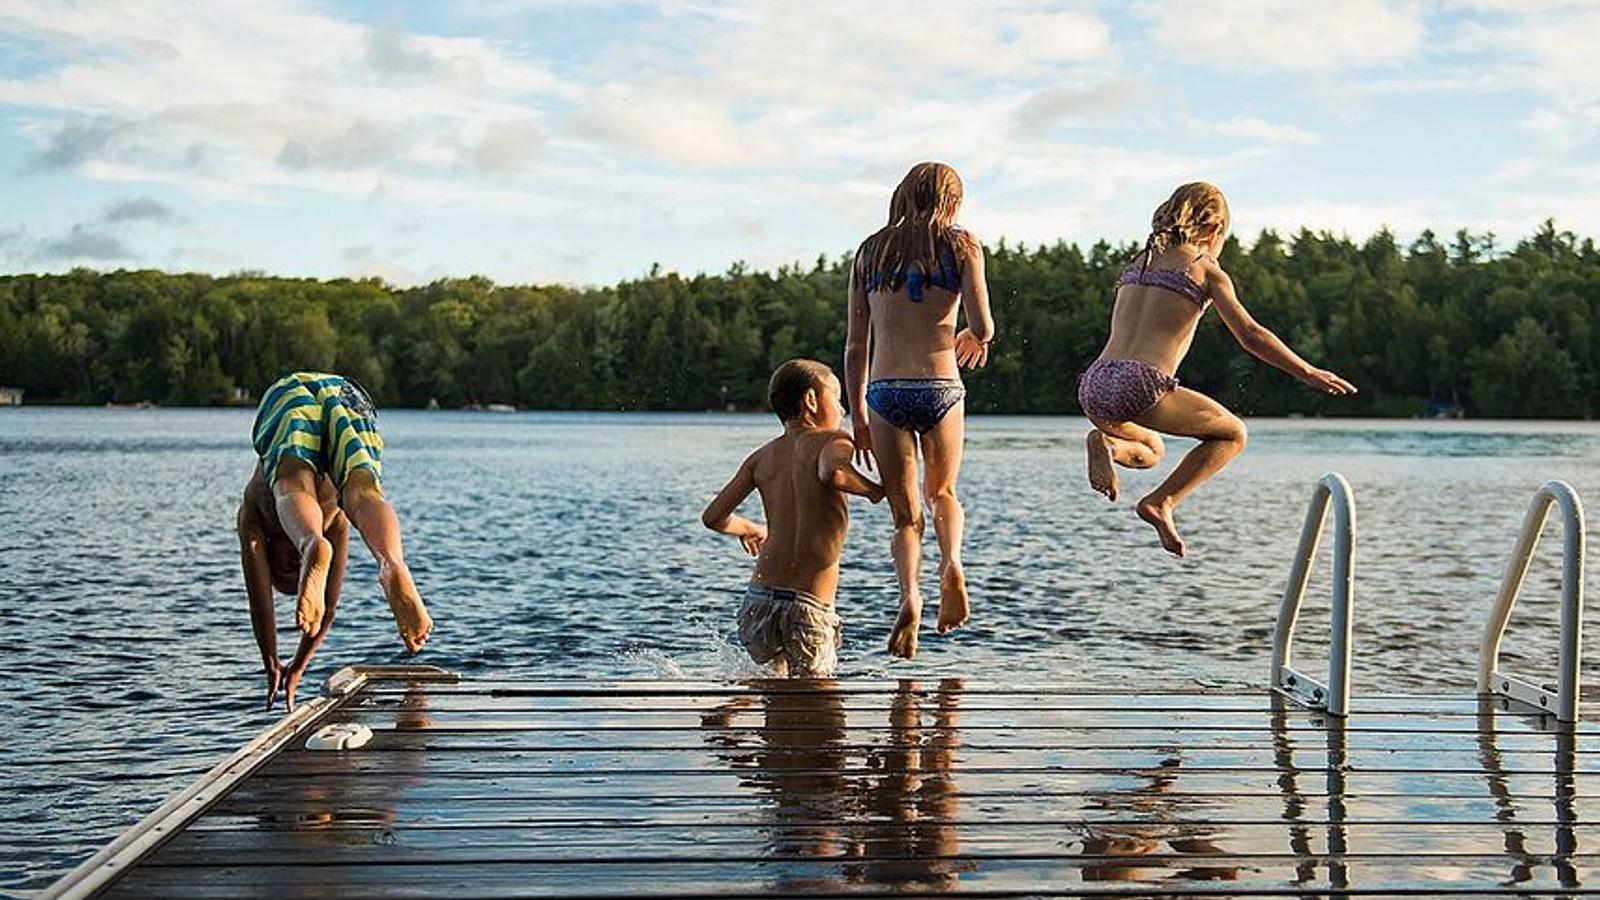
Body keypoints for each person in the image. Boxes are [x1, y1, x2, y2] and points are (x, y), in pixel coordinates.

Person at [1079, 182, 1356, 557]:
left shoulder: (1136, 263)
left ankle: (1109, 446)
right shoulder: (1204, 268)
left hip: (1095, 381)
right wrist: (1306, 371)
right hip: (1140, 382)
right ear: (1213, 230)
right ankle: (1162, 502)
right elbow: (1251, 335)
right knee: (1232, 435)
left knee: (1152, 449)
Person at [844, 161, 995, 660]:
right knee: (943, 493)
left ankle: (910, 595)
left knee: (905, 517)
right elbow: (984, 325)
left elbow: (854, 345)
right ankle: (952, 563)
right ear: (952, 203)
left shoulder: (870, 251)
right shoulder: (963, 245)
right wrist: (974, 337)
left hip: (884, 390)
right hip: (940, 386)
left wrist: (859, 417)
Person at [238, 371, 433, 710]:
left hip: (289, 395)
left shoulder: (253, 517)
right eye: (301, 565)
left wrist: (272, 660)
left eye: (289, 566)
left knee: (292, 484)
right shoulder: (336, 523)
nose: (295, 566)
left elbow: (261, 605)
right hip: (344, 393)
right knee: (363, 493)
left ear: (271, 553)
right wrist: (298, 665)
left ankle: (311, 541)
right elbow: (326, 609)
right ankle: (391, 562)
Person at [702, 359, 884, 677]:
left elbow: (713, 517)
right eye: (838, 399)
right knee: (818, 713)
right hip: (808, 607)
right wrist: (875, 490)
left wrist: (750, 528)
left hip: (758, 604)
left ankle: (739, 704)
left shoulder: (760, 457)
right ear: (811, 401)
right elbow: (833, 472)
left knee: (774, 693)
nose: (842, 411)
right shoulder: (832, 440)